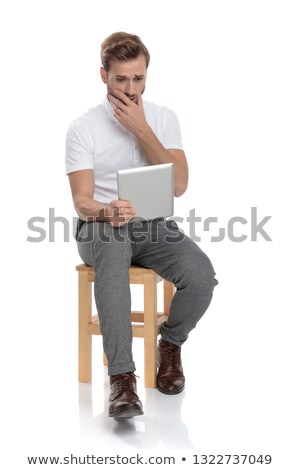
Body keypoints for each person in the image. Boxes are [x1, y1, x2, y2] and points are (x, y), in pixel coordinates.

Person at [65, 32, 218, 418]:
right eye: (120, 79)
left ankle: (170, 344)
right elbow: (82, 202)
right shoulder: (83, 127)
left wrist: (141, 128)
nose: (130, 88)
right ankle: (122, 379)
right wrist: (107, 212)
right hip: (99, 227)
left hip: (152, 226)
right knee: (114, 247)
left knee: (201, 275)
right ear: (104, 76)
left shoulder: (163, 119)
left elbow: (179, 186)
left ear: (146, 75)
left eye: (138, 78)